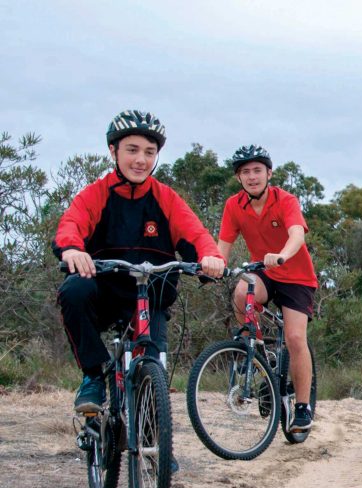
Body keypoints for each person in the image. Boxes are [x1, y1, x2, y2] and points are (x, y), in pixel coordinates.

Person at [54, 110, 225, 413]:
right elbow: (72, 224)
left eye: (149, 152)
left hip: (150, 297)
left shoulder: (165, 198)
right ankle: (93, 376)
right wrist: (71, 250)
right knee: (73, 290)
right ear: (113, 151)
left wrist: (209, 258)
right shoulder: (97, 194)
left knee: (152, 371)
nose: (140, 160)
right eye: (132, 150)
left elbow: (194, 233)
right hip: (105, 292)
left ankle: (155, 453)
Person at [217, 145, 318, 433]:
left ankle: (302, 407)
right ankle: (257, 351)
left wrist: (283, 254)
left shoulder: (285, 200)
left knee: (295, 337)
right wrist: (212, 265)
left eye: (257, 170)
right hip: (264, 272)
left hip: (296, 276)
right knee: (241, 290)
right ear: (239, 178)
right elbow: (222, 246)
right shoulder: (233, 205)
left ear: (269, 173)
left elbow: (296, 234)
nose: (252, 177)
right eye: (245, 172)